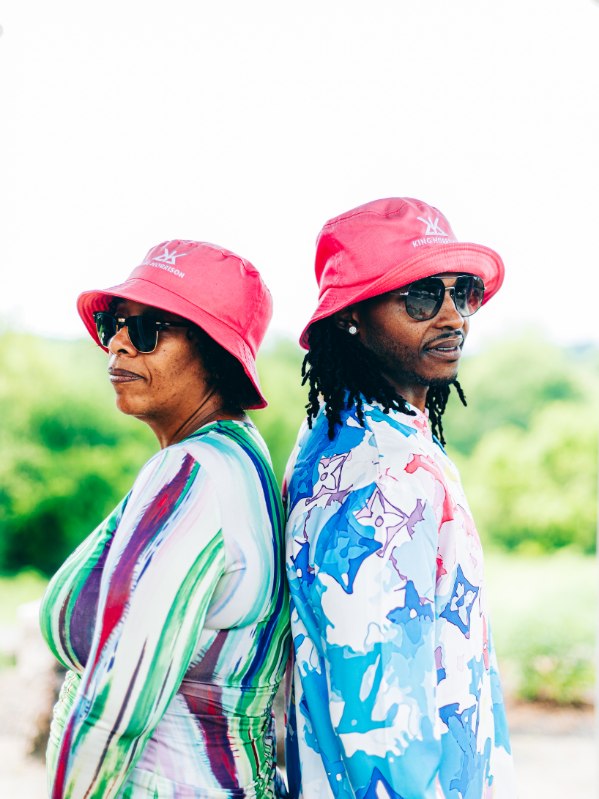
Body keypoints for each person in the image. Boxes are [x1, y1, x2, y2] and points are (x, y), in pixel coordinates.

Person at [39, 240, 290, 798]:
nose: (120, 344)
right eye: (114, 323)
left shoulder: (193, 473)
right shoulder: (240, 458)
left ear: (215, 354)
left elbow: (119, 704)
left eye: (149, 328)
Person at [284, 198, 517, 798]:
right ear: (350, 320)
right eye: (419, 297)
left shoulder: (356, 437)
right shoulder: (380, 471)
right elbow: (383, 724)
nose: (453, 316)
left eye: (461, 291)